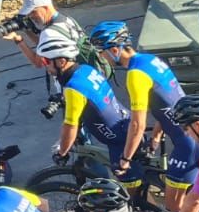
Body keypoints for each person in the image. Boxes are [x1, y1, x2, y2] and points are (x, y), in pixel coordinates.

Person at [86, 21, 199, 212]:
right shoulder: (150, 60)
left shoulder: (135, 75)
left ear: (114, 49)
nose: (102, 58)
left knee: (175, 206)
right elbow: (168, 102)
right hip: (198, 132)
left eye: (102, 53)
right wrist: (156, 136)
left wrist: (125, 157)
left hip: (186, 144)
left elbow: (138, 124)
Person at [34, 28, 137, 185]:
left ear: (61, 61)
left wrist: (62, 152)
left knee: (133, 194)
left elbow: (70, 126)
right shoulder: (85, 69)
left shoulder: (73, 88)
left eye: (46, 61)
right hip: (124, 123)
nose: (44, 66)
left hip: (119, 142)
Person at [1, 0, 84, 111]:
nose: (31, 16)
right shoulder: (66, 19)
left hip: (70, 84)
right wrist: (27, 30)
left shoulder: (49, 33)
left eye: (33, 12)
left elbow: (38, 62)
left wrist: (18, 40)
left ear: (45, 7)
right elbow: (47, 47)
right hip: (83, 75)